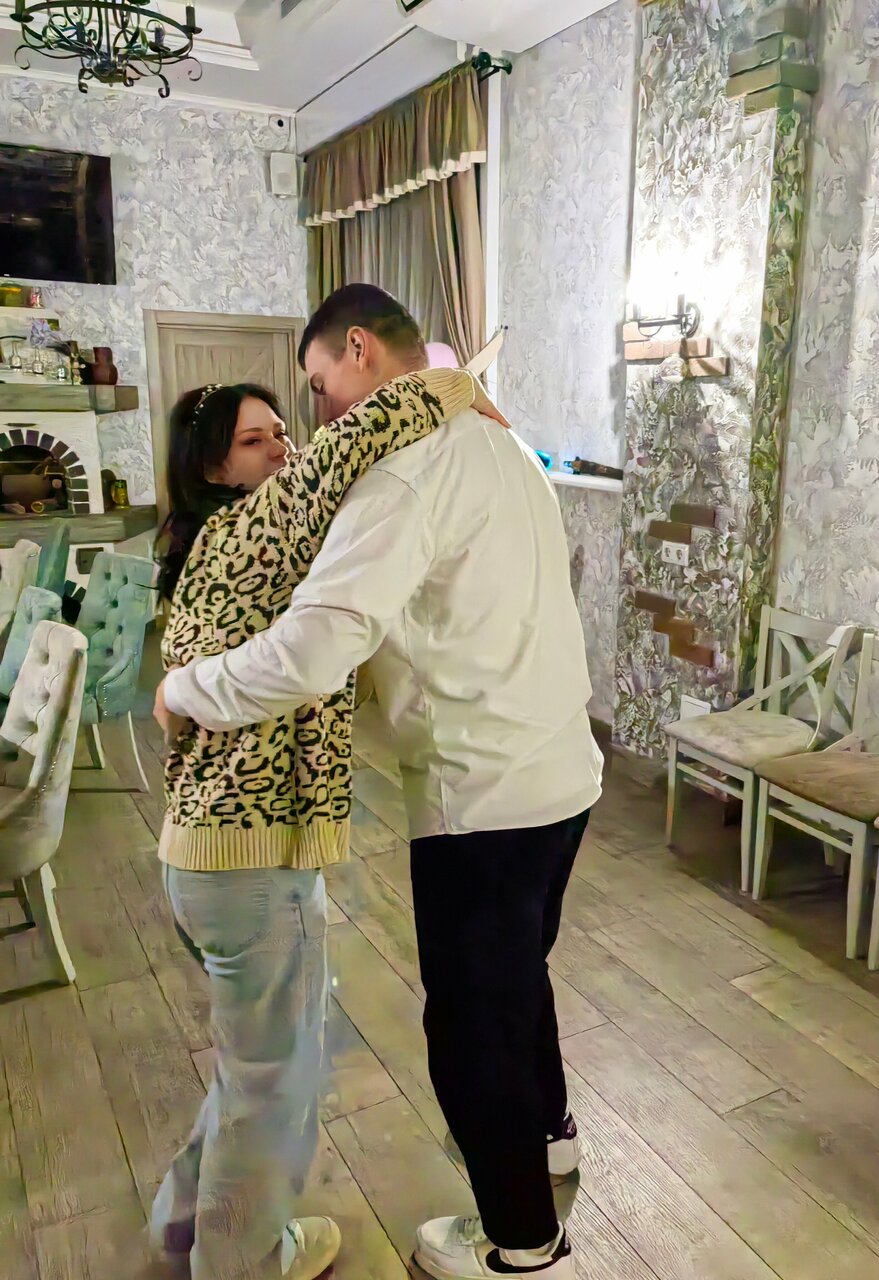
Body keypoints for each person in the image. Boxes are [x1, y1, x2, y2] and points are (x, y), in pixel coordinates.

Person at [155, 284, 603, 1280]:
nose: (315, 423)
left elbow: (314, 651)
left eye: (316, 389)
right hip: (564, 770)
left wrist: (185, 689)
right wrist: (451, 387)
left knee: (471, 1023)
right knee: (518, 974)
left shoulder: (403, 473)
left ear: (359, 349)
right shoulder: (506, 447)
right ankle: (551, 1136)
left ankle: (525, 1244)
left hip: (482, 793)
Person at [151, 364, 488, 1280]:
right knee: (275, 1083)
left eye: (280, 431)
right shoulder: (260, 522)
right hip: (252, 867)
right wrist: (455, 384)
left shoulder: (204, 545)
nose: (282, 450)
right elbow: (351, 442)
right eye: (253, 441)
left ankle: (184, 1226)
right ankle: (241, 1258)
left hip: (202, 861)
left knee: (250, 1068)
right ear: (214, 468)